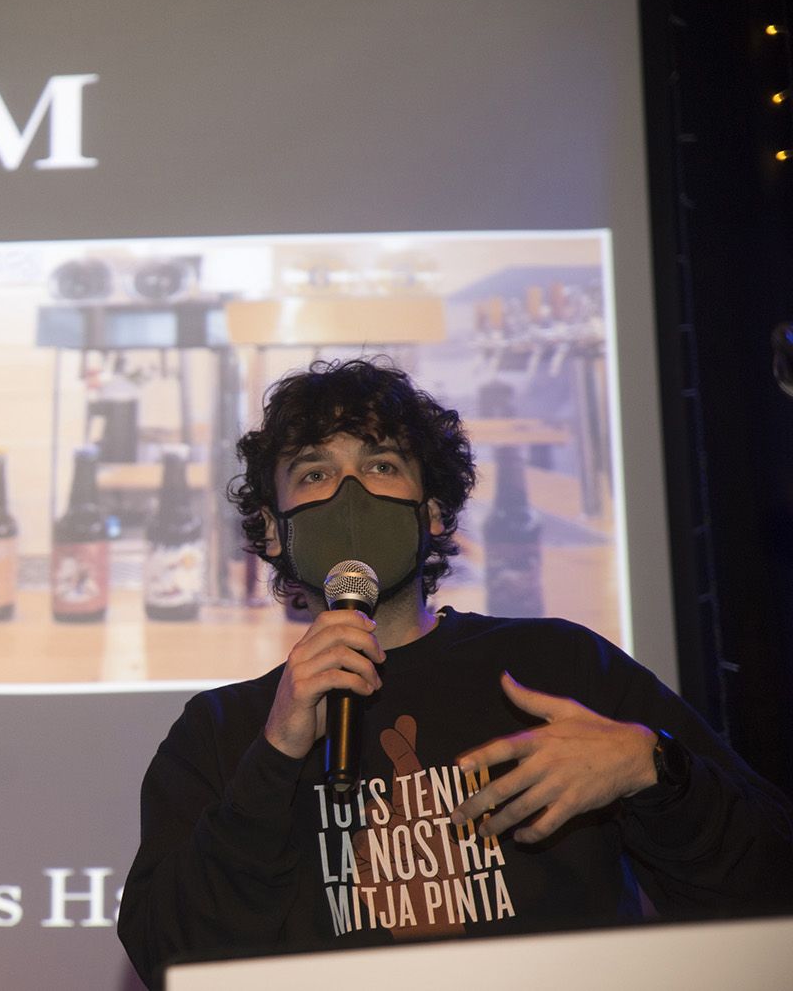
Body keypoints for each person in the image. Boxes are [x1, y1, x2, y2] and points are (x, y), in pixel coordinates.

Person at [117, 358, 793, 988]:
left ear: (433, 513)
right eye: (314, 473)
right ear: (272, 529)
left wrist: (656, 770)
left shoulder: (560, 665)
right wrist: (275, 756)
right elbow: (171, 961)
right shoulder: (222, 730)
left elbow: (770, 887)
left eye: (381, 464)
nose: (350, 494)